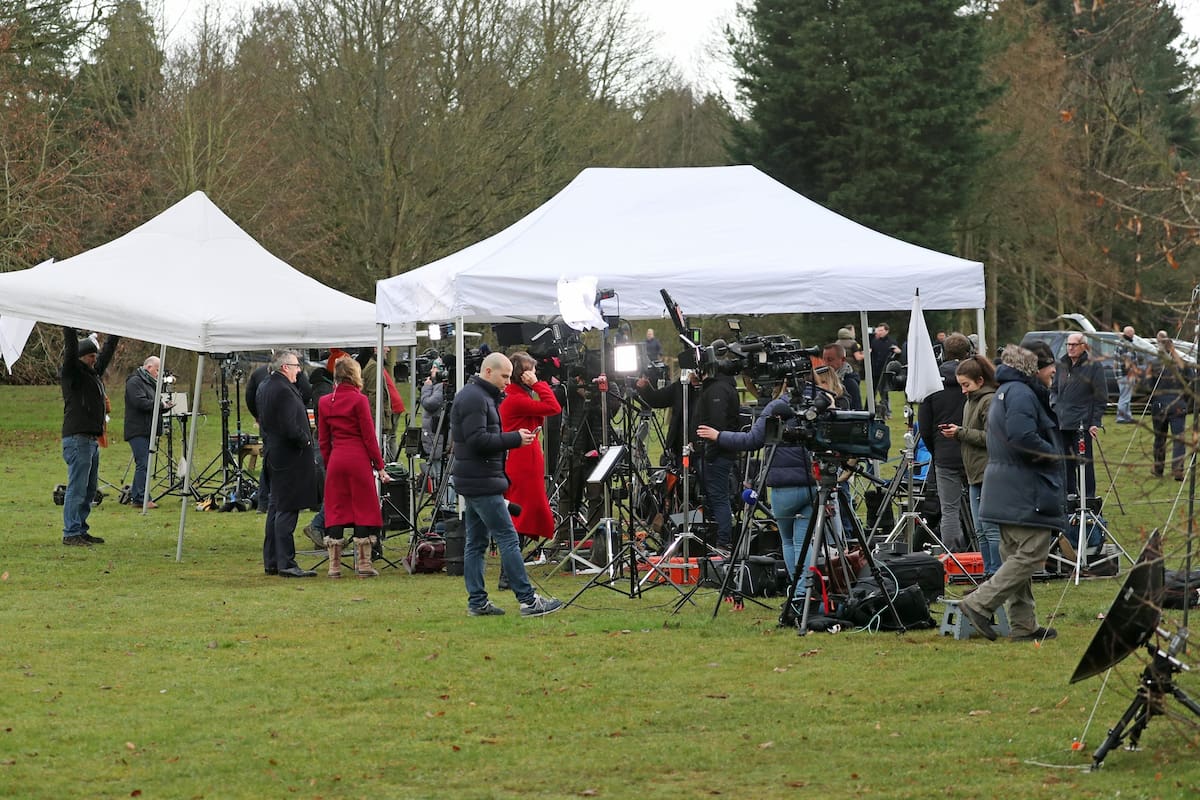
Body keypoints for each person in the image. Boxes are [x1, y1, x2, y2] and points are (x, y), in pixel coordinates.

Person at [958, 342, 1064, 643]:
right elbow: (1022, 437)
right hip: (1022, 487)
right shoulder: (1021, 393)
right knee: (1032, 554)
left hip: (1003, 485)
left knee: (1015, 557)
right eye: (1050, 366)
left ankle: (1023, 625)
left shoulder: (1007, 391)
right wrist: (1056, 455)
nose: (1054, 371)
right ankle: (979, 604)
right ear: (1036, 368)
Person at [450, 352, 563, 617]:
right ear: (488, 372)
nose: (507, 382)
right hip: (481, 479)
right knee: (508, 537)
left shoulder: (479, 396)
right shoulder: (475, 398)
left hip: (476, 477)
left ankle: (477, 602)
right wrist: (513, 439)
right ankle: (527, 600)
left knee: (476, 543)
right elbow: (478, 440)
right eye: (503, 376)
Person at [696, 383, 817, 612]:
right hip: (812, 484)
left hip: (784, 487)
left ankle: (799, 595)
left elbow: (750, 440)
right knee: (803, 542)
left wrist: (718, 435)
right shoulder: (818, 405)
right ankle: (806, 594)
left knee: (790, 542)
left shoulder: (777, 406)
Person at [318, 356, 390, 578]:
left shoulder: (324, 402)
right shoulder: (359, 400)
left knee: (337, 510)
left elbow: (323, 439)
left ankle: (334, 565)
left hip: (337, 459)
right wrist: (380, 466)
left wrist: (330, 462)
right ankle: (364, 564)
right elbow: (369, 437)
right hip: (358, 459)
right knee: (362, 510)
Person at [498, 351, 562, 583]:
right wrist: (538, 385)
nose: (535, 374)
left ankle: (510, 570)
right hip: (523, 462)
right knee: (521, 518)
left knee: (522, 517)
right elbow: (553, 407)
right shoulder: (517, 399)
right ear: (523, 374)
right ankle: (508, 573)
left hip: (525, 460)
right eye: (532, 371)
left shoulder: (514, 397)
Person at [257, 350, 320, 577]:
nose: (299, 370)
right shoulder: (281, 389)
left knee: (275, 508)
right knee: (286, 509)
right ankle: (286, 563)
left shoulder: (267, 385)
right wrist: (305, 439)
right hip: (288, 457)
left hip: (276, 454)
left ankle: (273, 560)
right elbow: (288, 425)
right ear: (285, 367)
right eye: (296, 366)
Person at [60, 327, 120, 546]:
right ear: (80, 357)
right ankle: (71, 532)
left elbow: (107, 353)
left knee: (89, 488)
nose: (95, 360)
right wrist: (69, 325)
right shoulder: (72, 373)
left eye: (95, 356)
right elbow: (70, 347)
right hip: (77, 439)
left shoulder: (92, 374)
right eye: (91, 356)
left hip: (91, 440)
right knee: (77, 487)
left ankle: (80, 528)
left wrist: (116, 331)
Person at [942, 354, 1001, 576]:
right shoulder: (970, 401)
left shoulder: (989, 400)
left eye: (966, 385)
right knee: (980, 531)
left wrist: (960, 433)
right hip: (974, 474)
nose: (963, 390)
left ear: (980, 381)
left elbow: (992, 438)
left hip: (989, 474)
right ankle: (988, 574)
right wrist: (959, 433)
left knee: (991, 530)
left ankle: (996, 575)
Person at [918, 333, 972, 552]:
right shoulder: (975, 379)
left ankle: (954, 556)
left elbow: (924, 424)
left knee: (949, 510)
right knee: (979, 506)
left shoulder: (932, 380)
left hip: (944, 452)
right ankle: (980, 554)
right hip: (972, 449)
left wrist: (936, 449)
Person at [692, 346, 741, 551]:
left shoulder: (717, 390)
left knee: (719, 497)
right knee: (715, 496)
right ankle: (719, 538)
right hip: (716, 452)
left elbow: (716, 424)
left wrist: (709, 452)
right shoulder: (718, 387)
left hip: (716, 454)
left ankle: (723, 542)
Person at [1050, 332, 1106, 500]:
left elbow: (1101, 396)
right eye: (1068, 344)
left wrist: (1095, 422)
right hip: (1062, 423)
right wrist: (1054, 404)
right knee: (1066, 463)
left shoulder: (1093, 366)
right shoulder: (1061, 364)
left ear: (1083, 346)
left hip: (1082, 424)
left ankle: (1088, 499)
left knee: (1084, 463)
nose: (1070, 348)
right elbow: (1053, 389)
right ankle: (1070, 497)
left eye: (1074, 345)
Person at [123, 355, 170, 510]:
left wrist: (163, 406)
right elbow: (140, 402)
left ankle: (138, 496)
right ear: (149, 367)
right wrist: (160, 404)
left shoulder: (150, 383)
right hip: (137, 429)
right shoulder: (135, 381)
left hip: (147, 428)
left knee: (144, 463)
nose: (158, 374)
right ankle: (141, 498)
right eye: (157, 370)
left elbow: (151, 405)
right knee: (143, 462)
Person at [1148, 331, 1192, 481]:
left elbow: (1148, 385)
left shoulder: (1154, 363)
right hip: (1178, 402)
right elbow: (1190, 382)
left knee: (1160, 437)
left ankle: (1158, 468)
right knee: (1179, 438)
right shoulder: (1182, 362)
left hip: (1159, 403)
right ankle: (1178, 470)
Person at [868, 322, 902, 419]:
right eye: (878, 330)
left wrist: (898, 352)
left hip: (885, 371)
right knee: (872, 391)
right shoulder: (874, 341)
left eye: (881, 330)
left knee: (884, 392)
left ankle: (887, 412)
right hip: (875, 370)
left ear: (887, 331)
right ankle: (871, 410)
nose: (879, 332)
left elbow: (897, 355)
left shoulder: (891, 342)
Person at [1114, 326, 1143, 424]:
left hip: (1120, 374)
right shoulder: (1127, 344)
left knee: (1126, 396)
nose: (1133, 335)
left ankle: (1127, 416)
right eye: (1132, 333)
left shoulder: (1120, 342)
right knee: (1125, 397)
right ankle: (1121, 417)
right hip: (1126, 375)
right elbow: (1128, 363)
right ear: (1129, 334)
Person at [822, 342, 861, 410]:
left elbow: (857, 411)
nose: (826, 364)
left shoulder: (849, 383)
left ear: (843, 360)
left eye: (830, 360)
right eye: (824, 360)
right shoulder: (821, 379)